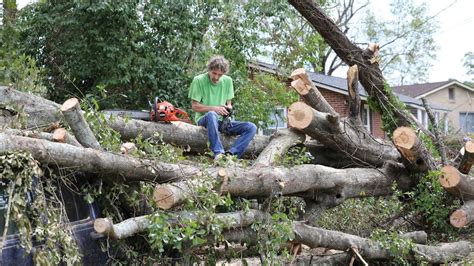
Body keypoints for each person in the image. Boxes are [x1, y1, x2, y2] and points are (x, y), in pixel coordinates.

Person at [188, 55, 257, 160]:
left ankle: (231, 155)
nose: (216, 77)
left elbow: (229, 103)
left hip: (222, 122)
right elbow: (194, 107)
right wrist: (215, 108)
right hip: (205, 120)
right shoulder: (198, 80)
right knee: (212, 114)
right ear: (209, 70)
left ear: (224, 74)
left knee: (251, 127)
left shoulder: (228, 81)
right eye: (214, 73)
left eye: (219, 75)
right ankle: (218, 153)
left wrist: (228, 109)